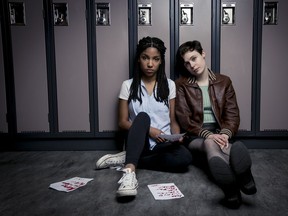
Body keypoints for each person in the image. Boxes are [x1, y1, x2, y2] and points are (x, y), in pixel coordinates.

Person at [95, 36, 192, 198]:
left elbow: (173, 120)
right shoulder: (128, 85)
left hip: (163, 143)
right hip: (141, 141)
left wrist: (175, 136)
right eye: (145, 58)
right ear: (139, 59)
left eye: (155, 59)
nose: (150, 64)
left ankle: (129, 158)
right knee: (142, 117)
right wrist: (150, 131)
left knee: (185, 158)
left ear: (161, 61)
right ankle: (129, 172)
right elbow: (122, 122)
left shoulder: (170, 85)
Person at [174, 40, 257, 209]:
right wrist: (209, 135)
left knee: (214, 142)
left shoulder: (224, 81)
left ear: (203, 54)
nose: (192, 65)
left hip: (220, 132)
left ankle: (231, 191)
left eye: (194, 58)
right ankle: (244, 176)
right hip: (195, 135)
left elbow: (232, 114)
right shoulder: (181, 85)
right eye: (187, 63)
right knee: (211, 141)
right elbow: (184, 119)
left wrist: (225, 134)